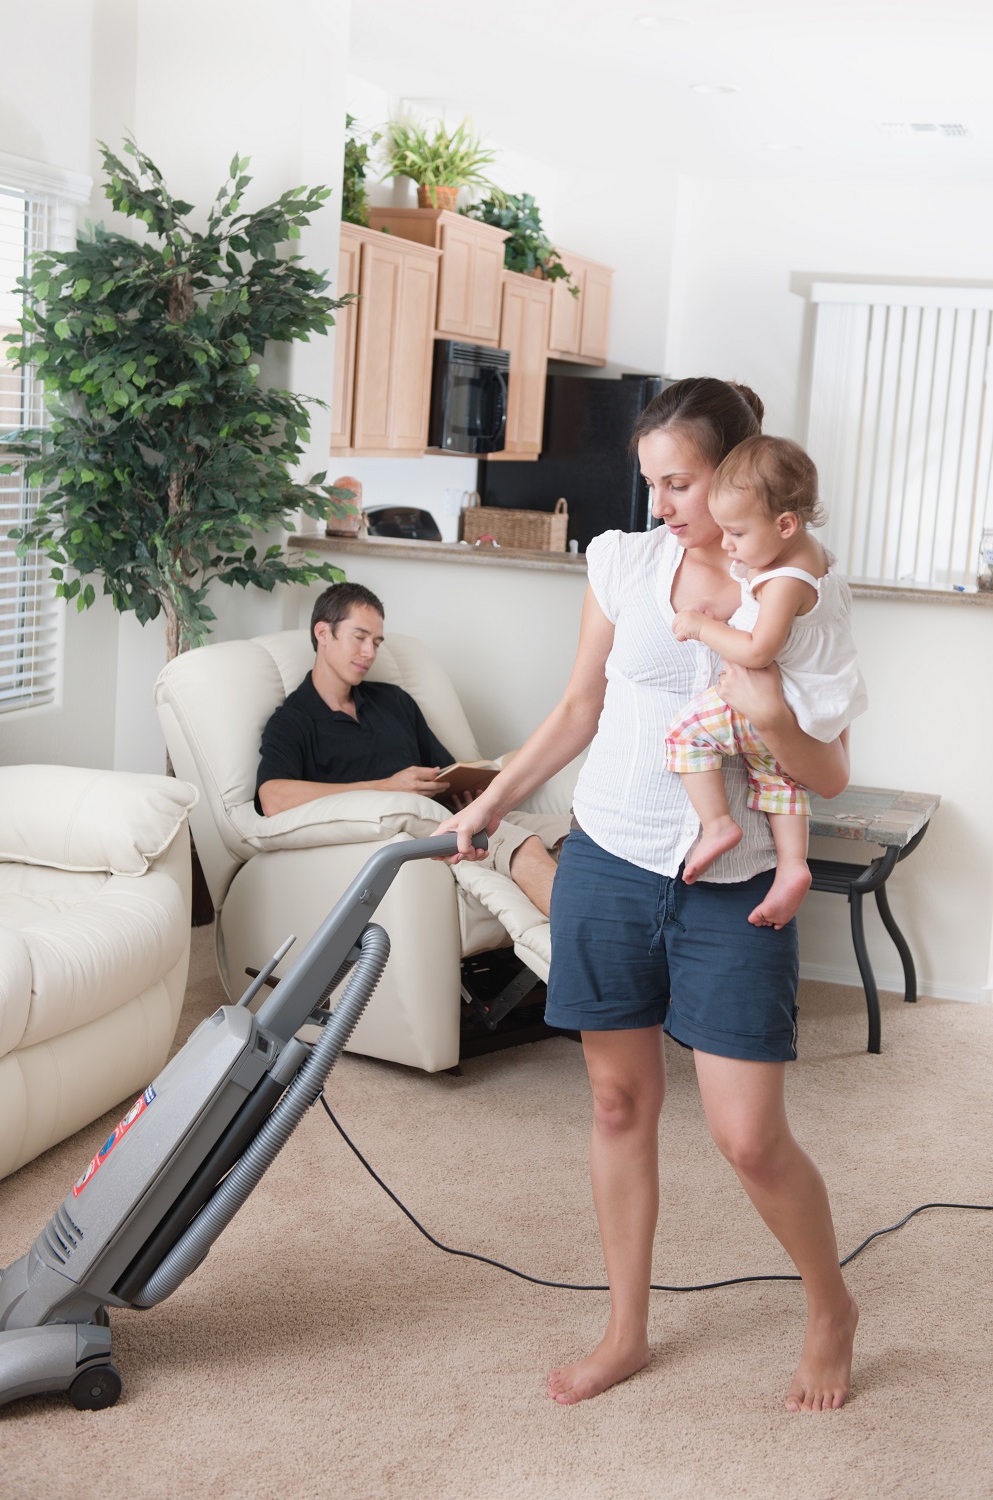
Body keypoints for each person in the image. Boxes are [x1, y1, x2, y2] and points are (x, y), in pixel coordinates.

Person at [437, 377, 860, 1413]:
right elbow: (580, 706)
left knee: (747, 1136)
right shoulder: (623, 562)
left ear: (739, 472)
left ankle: (829, 1306)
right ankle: (624, 1329)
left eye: (679, 481)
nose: (662, 504)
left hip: (733, 886)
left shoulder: (797, 587)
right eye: (652, 483)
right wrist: (488, 800)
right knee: (619, 1101)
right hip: (610, 861)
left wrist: (763, 706)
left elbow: (831, 773)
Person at [254, 581, 566, 916]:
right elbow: (273, 797)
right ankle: (591, 954)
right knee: (527, 847)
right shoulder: (293, 720)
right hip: (421, 836)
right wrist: (387, 786)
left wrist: (461, 791)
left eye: (376, 642)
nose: (370, 653)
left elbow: (445, 769)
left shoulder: (393, 701)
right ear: (323, 633)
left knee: (571, 837)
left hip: (453, 818)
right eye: (359, 638)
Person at [665, 434, 867, 930]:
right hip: (812, 712)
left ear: (784, 524)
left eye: (736, 532)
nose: (727, 544)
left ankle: (716, 825)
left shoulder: (784, 581)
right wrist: (728, 614)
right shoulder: (811, 559)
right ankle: (793, 866)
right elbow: (779, 625)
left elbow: (758, 649)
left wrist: (703, 626)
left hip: (776, 701)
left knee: (686, 734)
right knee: (778, 779)